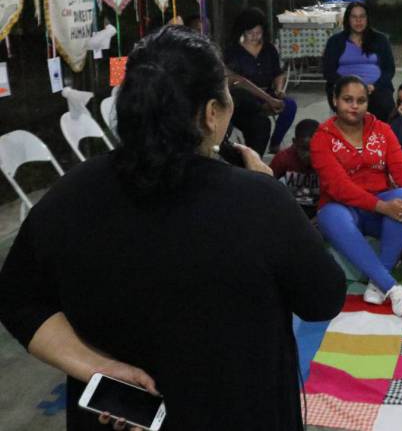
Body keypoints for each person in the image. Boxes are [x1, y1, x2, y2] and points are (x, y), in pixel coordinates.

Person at [0, 26, 344, 430]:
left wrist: (94, 366)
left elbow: (16, 299)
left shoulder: (72, 192)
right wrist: (271, 192)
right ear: (211, 114)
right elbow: (322, 297)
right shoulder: (260, 201)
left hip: (120, 414)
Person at [312, 75, 402, 316]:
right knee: (331, 215)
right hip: (341, 208)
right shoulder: (321, 138)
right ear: (334, 100)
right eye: (347, 100)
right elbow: (338, 187)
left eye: (361, 100)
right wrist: (383, 207)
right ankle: (391, 288)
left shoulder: (382, 130)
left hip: (377, 208)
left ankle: (376, 283)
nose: (354, 106)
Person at [223, 8, 296, 154]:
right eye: (250, 33)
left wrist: (279, 90)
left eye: (258, 33)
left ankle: (275, 142)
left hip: (268, 93)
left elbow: (278, 73)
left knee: (290, 105)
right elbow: (238, 81)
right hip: (244, 97)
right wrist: (268, 100)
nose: (254, 37)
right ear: (242, 32)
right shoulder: (232, 51)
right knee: (248, 102)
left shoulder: (269, 49)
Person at [322, 1, 397, 121]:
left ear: (367, 19)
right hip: (345, 88)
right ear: (348, 19)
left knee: (384, 107)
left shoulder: (380, 39)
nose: (358, 21)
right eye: (354, 17)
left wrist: (374, 86)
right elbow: (328, 71)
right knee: (351, 107)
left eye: (362, 16)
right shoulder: (335, 41)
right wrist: (348, 86)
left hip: (375, 88)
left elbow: (389, 69)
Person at [270, 118, 321, 217]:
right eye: (304, 149)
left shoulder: (329, 159)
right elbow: (267, 183)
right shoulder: (283, 158)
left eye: (314, 149)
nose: (308, 155)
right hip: (293, 208)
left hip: (321, 210)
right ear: (295, 142)